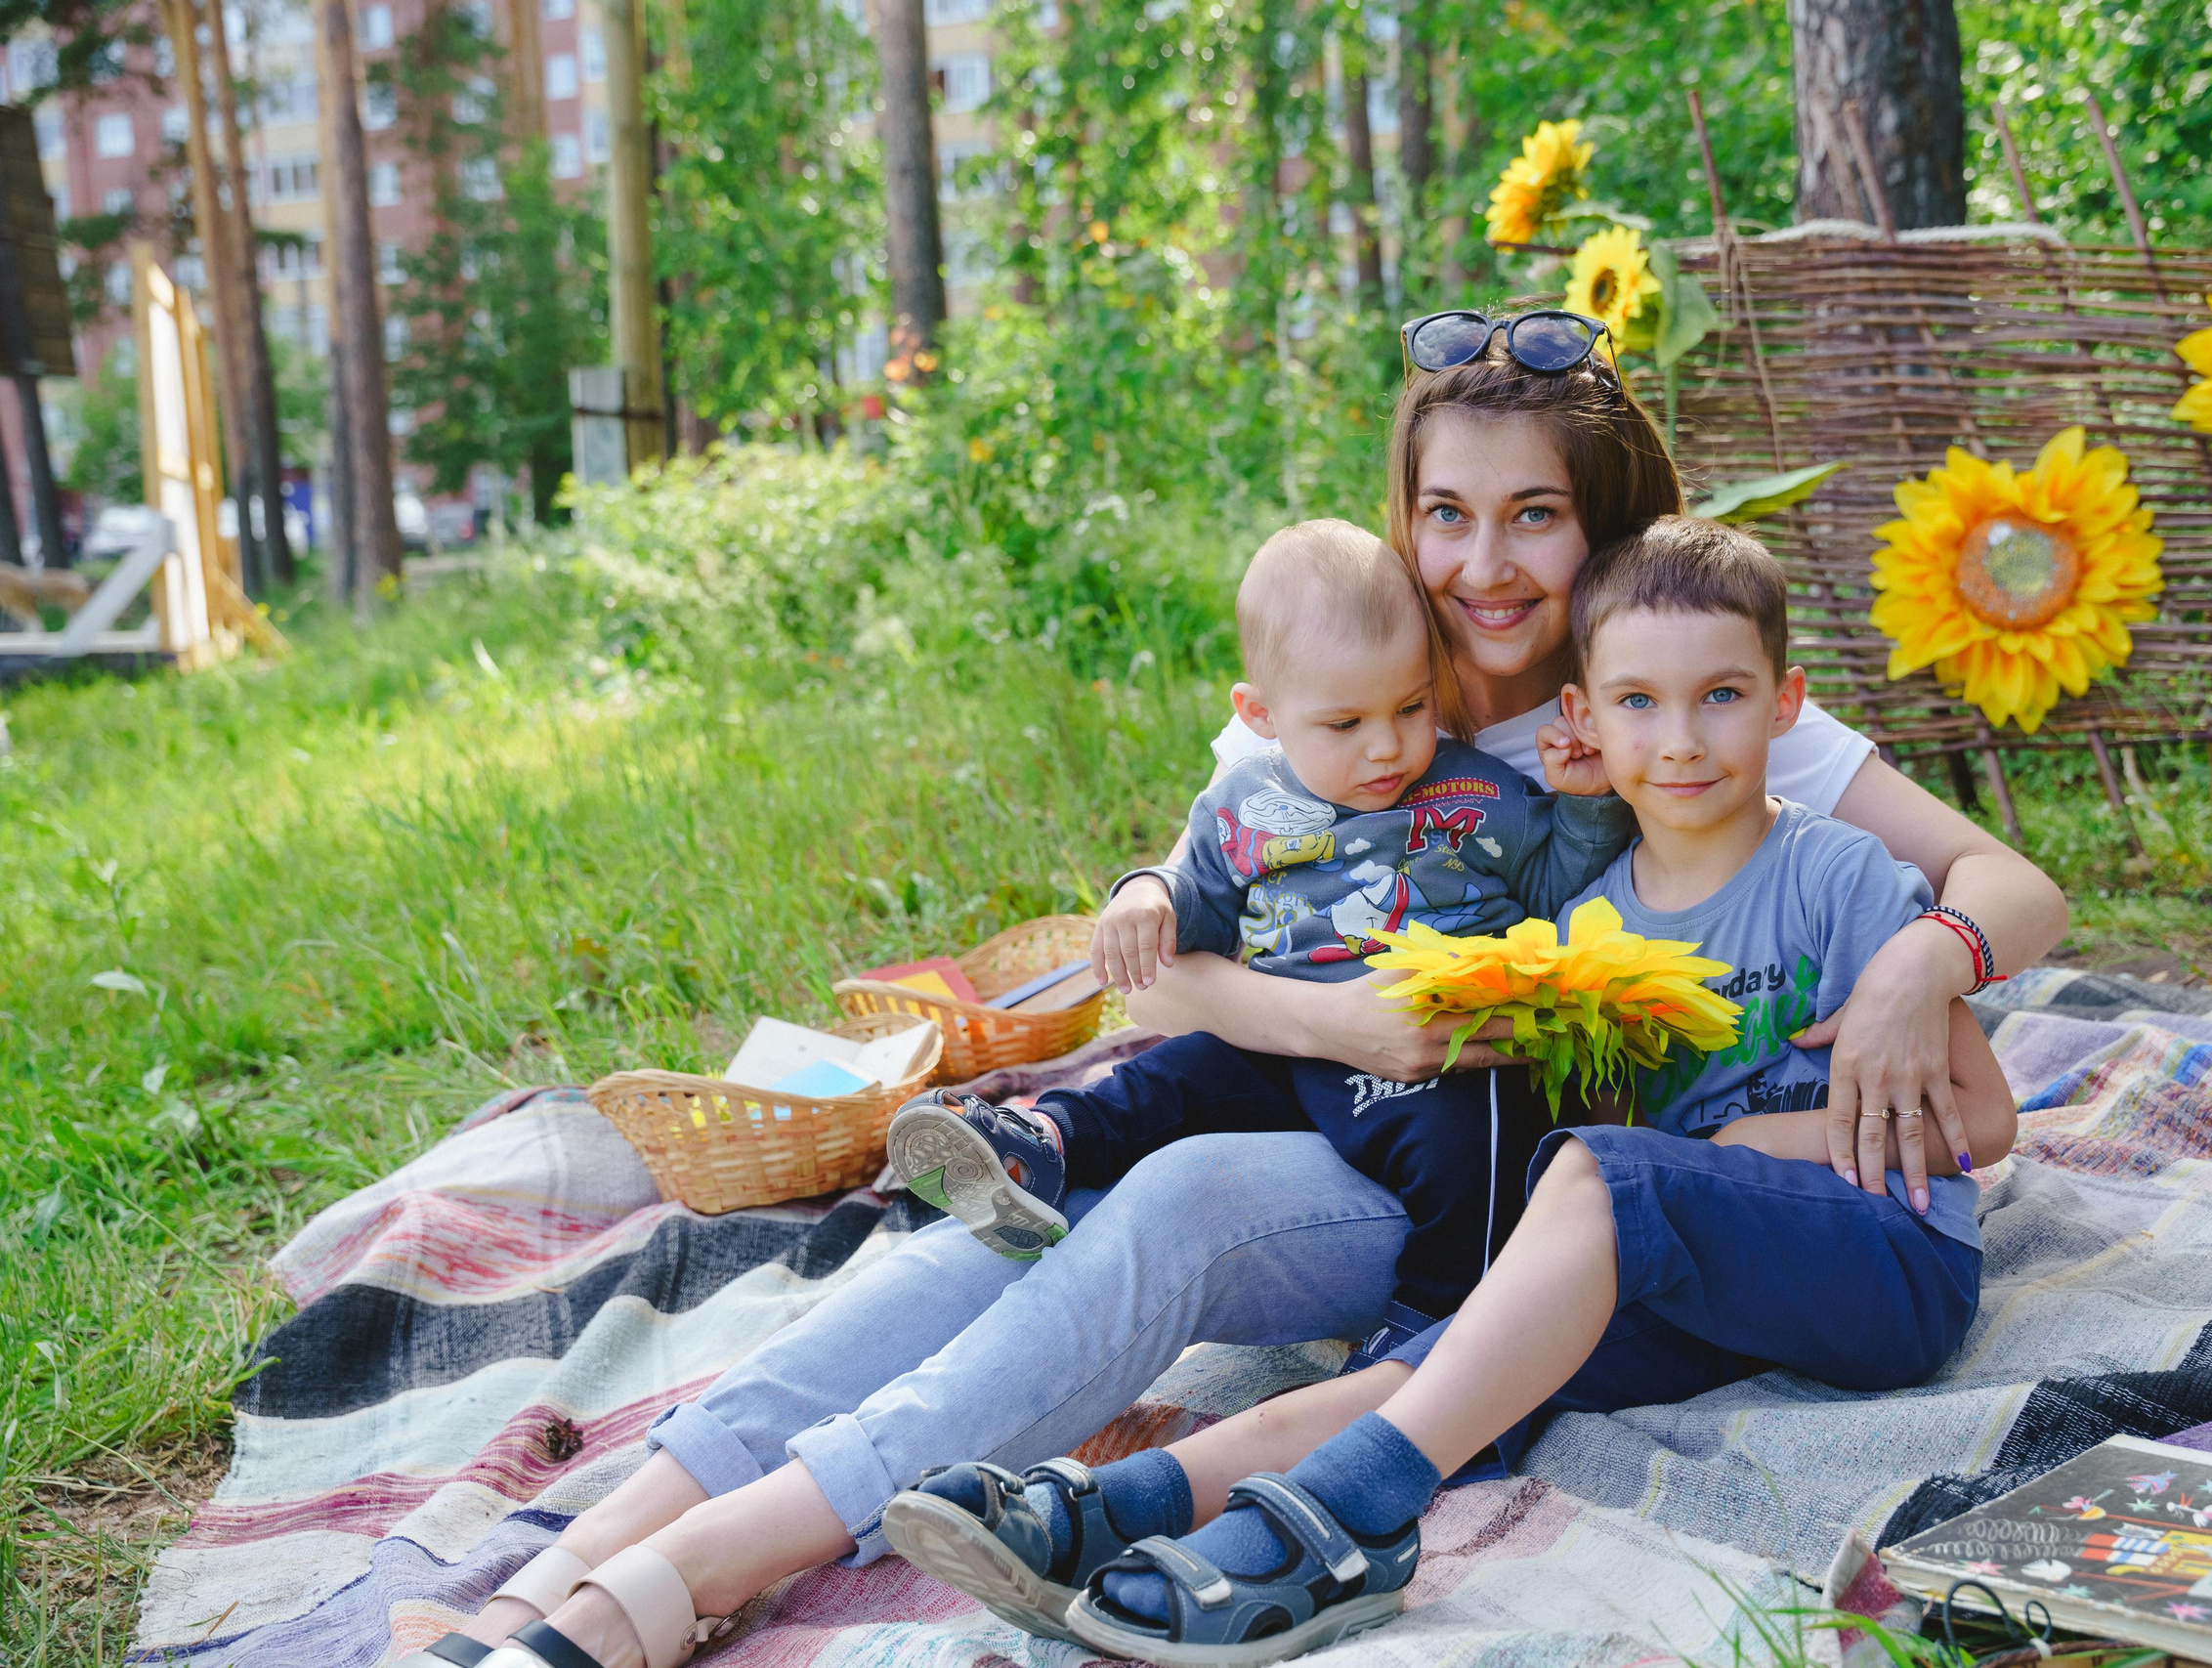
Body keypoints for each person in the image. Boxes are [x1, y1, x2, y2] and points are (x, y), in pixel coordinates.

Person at [427, 311, 2064, 1668]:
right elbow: (1165, 982)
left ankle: (723, 1553)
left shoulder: (1668, 684)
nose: (1482, 564)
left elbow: (1999, 883)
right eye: (1447, 512)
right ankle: (607, 1530)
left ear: (1607, 530)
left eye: (1535, 516)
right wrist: (1346, 1023)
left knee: (1182, 1196)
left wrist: (1934, 951)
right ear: (1403, 515)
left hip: (1486, 1182)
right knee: (1017, 1212)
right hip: (1339, 1080)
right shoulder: (1346, 661)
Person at [887, 514, 2021, 1665]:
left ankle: (1348, 1520)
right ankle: (1120, 1503)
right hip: (1702, 1273)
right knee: (1453, 1363)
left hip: (1887, 1262)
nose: (1678, 740)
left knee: (1591, 1180)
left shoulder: (1836, 874)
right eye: (1635, 701)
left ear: (1785, 703)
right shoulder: (1585, 917)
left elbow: (1983, 1120)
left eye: (1719, 696)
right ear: (1580, 718)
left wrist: (1751, 1142)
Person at [887, 516, 1629, 1318]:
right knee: (1167, 1078)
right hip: (1287, 1046)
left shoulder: (1479, 793)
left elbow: (1562, 890)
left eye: (1412, 707)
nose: (1387, 747)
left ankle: (1431, 1324)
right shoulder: (1245, 805)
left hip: (1432, 1051)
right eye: (1345, 724)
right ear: (1262, 712)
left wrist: (1587, 805)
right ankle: (1045, 1145)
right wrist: (1147, 893)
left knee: (1473, 1152)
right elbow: (1196, 904)